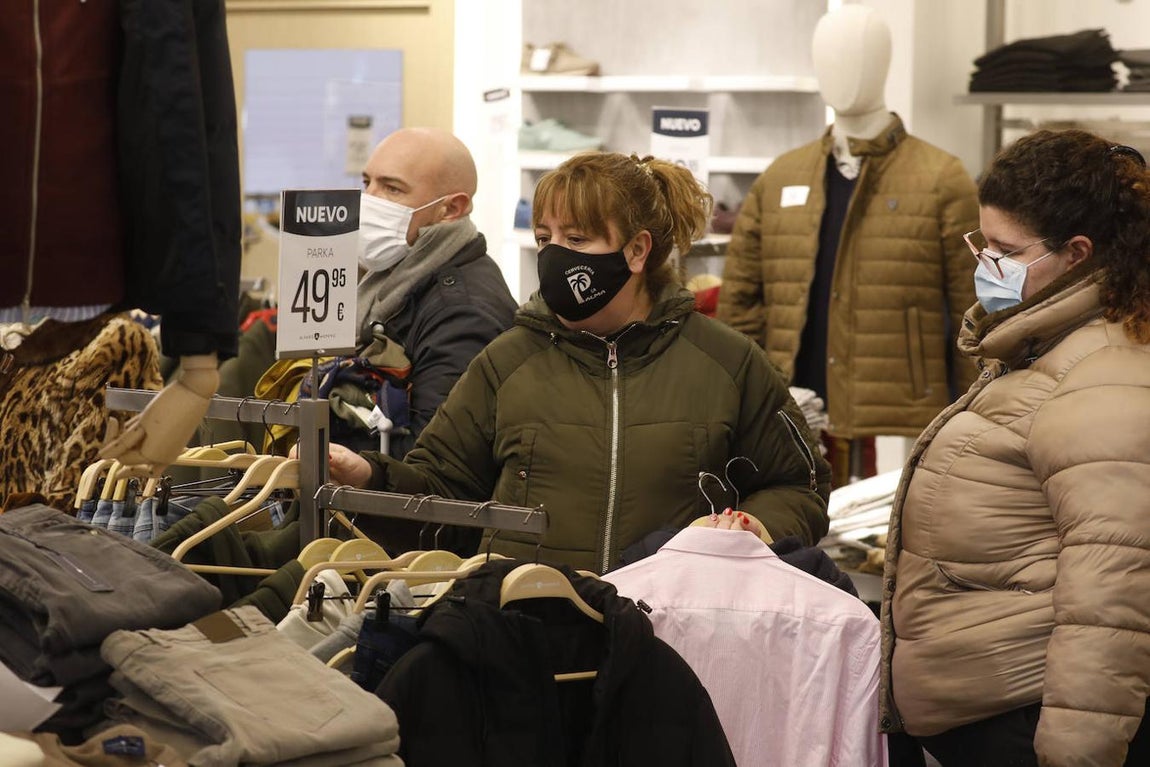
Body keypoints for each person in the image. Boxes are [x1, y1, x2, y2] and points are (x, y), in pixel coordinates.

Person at [324, 151, 832, 573]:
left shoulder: (727, 363)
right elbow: (442, 493)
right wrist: (371, 477)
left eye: (577, 239)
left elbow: (799, 486)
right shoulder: (507, 361)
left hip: (672, 633)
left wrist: (754, 527)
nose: (555, 257)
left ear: (637, 251)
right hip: (530, 629)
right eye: (545, 239)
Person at [879, 129, 1150, 767]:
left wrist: (1075, 754)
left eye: (1004, 251)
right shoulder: (1041, 347)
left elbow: (1110, 601)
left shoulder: (1102, 377)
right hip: (992, 707)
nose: (985, 265)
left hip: (1024, 719)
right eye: (982, 243)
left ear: (1077, 253)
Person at [716, 5, 979, 488]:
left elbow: (973, 309)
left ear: (885, 64)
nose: (841, 71)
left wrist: (975, 414)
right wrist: (745, 396)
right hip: (794, 398)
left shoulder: (941, 177)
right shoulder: (782, 176)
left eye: (860, 56)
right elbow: (741, 303)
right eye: (828, 56)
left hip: (902, 407)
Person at [354, 127, 517, 457]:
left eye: (392, 188)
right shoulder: (392, 277)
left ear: (451, 208)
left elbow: (433, 453)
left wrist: (345, 456)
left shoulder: (464, 312)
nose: (369, 199)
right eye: (367, 183)